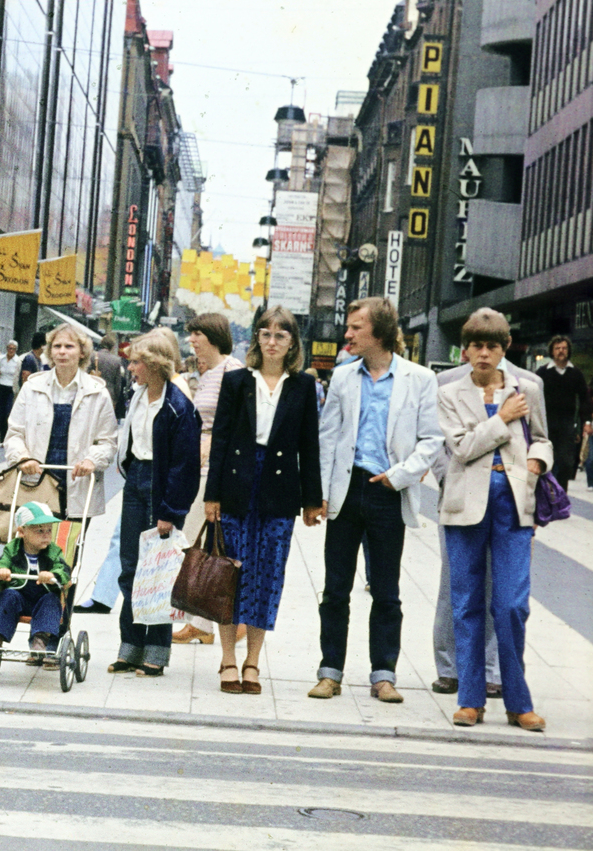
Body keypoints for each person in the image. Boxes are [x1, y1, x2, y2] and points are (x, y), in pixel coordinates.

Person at [310, 297, 442, 704]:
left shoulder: (419, 379)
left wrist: (398, 476)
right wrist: (319, 495)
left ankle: (383, 675)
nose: (346, 335)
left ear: (379, 333)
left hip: (387, 491)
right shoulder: (345, 377)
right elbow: (327, 436)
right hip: (347, 492)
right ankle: (330, 672)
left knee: (386, 590)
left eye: (355, 328)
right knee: (335, 589)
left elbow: (431, 440)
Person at [437, 309, 552, 730]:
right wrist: (501, 419)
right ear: (464, 350)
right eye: (476, 346)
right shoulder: (449, 391)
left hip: (513, 507)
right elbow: (463, 448)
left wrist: (537, 464)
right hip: (465, 507)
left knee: (510, 605)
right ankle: (470, 700)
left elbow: (542, 439)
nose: (484, 354)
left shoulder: (529, 388)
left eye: (493, 346)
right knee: (466, 604)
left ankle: (518, 701)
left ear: (505, 349)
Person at [202, 307, 322, 695]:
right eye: (265, 334)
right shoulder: (237, 381)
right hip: (237, 485)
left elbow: (310, 446)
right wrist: (212, 495)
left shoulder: (303, 386)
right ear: (257, 339)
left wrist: (312, 500)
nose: (272, 342)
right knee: (230, 573)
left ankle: (253, 661)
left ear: (292, 343)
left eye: (280, 336)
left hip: (280, 489)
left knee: (267, 575)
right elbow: (220, 438)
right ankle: (227, 659)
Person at [110, 328, 199, 676]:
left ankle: (157, 650)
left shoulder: (178, 407)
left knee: (159, 571)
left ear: (156, 364)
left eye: (136, 362)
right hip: (136, 481)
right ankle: (129, 645)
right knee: (131, 566)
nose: (131, 368)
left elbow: (185, 465)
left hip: (161, 487)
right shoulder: (137, 396)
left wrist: (170, 511)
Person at [172, 312, 246, 647]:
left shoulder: (233, 371)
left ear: (213, 336)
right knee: (199, 542)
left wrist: (212, 445)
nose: (192, 340)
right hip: (200, 467)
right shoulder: (211, 373)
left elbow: (238, 425)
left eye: (196, 334)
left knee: (211, 543)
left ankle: (235, 616)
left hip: (218, 471)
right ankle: (201, 621)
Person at [4, 324, 118, 518]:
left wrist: (92, 460)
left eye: (69, 346)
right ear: (50, 351)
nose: (62, 352)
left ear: (82, 352)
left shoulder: (98, 393)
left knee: (69, 546)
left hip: (77, 485)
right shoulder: (32, 388)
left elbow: (108, 442)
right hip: (36, 482)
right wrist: (22, 457)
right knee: (36, 545)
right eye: (57, 346)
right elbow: (14, 433)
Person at [0, 502, 73, 669]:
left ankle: (40, 640)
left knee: (51, 600)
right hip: (19, 598)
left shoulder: (53, 551)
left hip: (43, 598)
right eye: (39, 531)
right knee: (7, 595)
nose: (46, 536)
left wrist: (53, 575)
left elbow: (63, 569)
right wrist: (1, 570)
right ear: (22, 531)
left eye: (49, 530)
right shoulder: (13, 549)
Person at [534, 335, 589, 489]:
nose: (561, 351)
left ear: (568, 351)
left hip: (567, 424)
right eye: (557, 348)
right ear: (552, 351)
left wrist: (586, 422)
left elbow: (584, 399)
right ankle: (545, 490)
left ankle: (560, 492)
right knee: (546, 459)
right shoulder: (543, 373)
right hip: (546, 423)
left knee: (566, 463)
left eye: (564, 348)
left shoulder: (575, 373)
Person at [0, 340, 23, 443]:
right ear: (7, 349)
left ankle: (9, 436)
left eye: (13, 349)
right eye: (9, 348)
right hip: (1, 386)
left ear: (16, 350)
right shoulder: (1, 359)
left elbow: (19, 376)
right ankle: (2, 437)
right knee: (1, 414)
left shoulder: (18, 361)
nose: (11, 350)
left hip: (11, 388)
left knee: (8, 412)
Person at [95, 332, 126, 418]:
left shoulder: (93, 356)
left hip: (93, 391)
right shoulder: (116, 360)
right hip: (109, 394)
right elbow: (118, 383)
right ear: (112, 347)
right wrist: (115, 399)